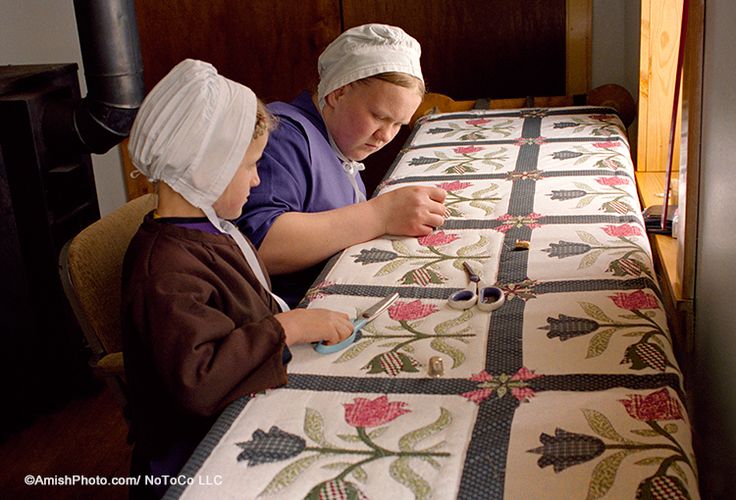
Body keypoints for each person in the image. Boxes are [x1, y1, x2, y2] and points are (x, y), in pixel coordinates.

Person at [121, 59, 353, 497]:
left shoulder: (212, 229)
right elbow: (199, 381)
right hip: (193, 455)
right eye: (250, 165)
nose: (258, 178)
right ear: (207, 167)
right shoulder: (165, 271)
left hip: (242, 401)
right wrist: (287, 328)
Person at [237, 24, 448, 307]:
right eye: (377, 116)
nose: (385, 136)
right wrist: (379, 215)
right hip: (290, 313)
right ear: (337, 93)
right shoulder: (282, 136)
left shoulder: (338, 145)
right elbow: (260, 247)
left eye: (398, 124)